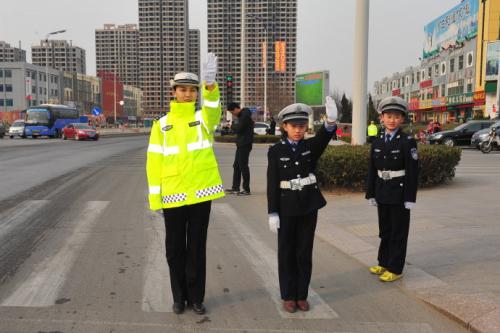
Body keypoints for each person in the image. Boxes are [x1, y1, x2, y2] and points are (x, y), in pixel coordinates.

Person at [146, 53, 225, 315]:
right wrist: (155, 198)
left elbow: (214, 110)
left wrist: (211, 87)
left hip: (201, 193)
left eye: (192, 90)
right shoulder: (161, 125)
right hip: (173, 195)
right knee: (174, 250)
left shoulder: (203, 119)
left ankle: (196, 298)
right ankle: (178, 297)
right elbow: (154, 163)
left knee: (197, 250)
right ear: (174, 92)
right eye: (183, 89)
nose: (188, 94)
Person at [267, 96, 337, 313]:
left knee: (304, 252)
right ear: (284, 126)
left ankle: (301, 295)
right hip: (286, 208)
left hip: (308, 206)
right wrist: (273, 212)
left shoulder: (309, 147)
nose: (298, 130)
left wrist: (330, 123)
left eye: (302, 126)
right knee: (286, 252)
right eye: (294, 126)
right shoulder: (276, 151)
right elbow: (272, 183)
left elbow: (324, 138)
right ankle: (288, 295)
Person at [365, 96, 419, 282]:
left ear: (402, 119)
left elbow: (413, 171)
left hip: (399, 192)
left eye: (396, 116)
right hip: (382, 190)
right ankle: (383, 262)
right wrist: (371, 192)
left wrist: (410, 198)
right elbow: (372, 168)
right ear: (381, 117)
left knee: (398, 232)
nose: (392, 120)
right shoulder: (378, 140)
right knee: (385, 230)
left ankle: (395, 268)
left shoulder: (407, 141)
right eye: (388, 116)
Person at [226, 102, 254, 195]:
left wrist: (231, 126)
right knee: (236, 166)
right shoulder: (242, 115)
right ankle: (235, 188)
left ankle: (246, 189)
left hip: (245, 144)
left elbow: (239, 129)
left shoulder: (245, 115)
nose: (232, 114)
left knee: (243, 166)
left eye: (232, 112)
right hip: (241, 144)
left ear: (235, 109)